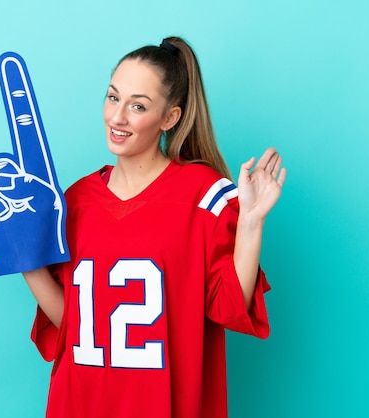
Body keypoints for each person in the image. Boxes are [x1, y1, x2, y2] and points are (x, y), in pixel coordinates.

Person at [21, 36, 286, 418]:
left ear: (170, 118)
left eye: (138, 106)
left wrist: (250, 221)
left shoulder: (205, 195)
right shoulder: (74, 201)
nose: (117, 117)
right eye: (113, 98)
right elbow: (73, 326)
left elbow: (230, 308)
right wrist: (24, 256)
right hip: (81, 403)